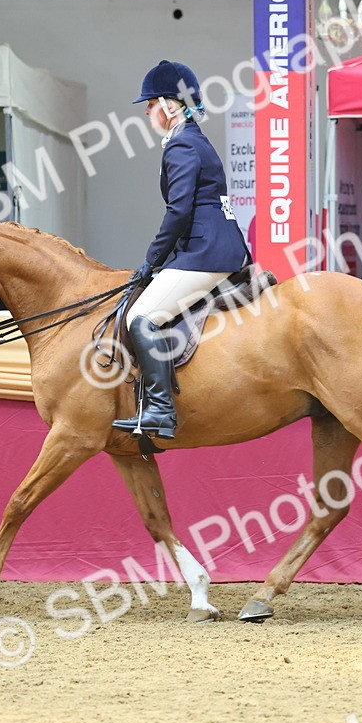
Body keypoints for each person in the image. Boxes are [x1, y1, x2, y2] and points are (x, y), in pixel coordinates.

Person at [111, 60, 251, 440]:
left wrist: (150, 261)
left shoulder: (183, 144)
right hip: (213, 246)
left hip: (207, 251)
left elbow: (179, 211)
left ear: (171, 105)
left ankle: (160, 409)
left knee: (140, 317)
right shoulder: (193, 140)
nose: (146, 110)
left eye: (151, 102)